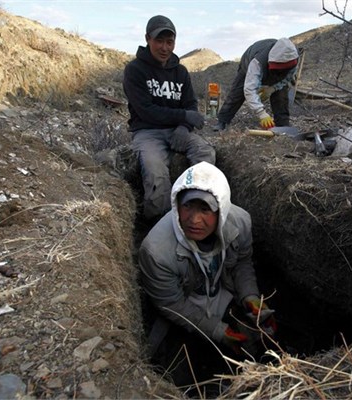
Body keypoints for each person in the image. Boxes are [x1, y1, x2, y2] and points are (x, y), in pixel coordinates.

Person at [138, 161, 277, 386]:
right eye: (187, 207)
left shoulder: (239, 223)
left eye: (205, 209)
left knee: (258, 341)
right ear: (176, 205)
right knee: (173, 371)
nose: (194, 220)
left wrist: (250, 297)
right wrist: (217, 331)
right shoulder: (156, 251)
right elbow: (172, 304)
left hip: (222, 294)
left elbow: (242, 263)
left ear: (221, 209)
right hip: (183, 307)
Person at [123, 15, 216, 222]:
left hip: (177, 130)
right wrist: (184, 116)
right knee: (156, 172)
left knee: (205, 153)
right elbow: (146, 110)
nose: (165, 47)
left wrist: (184, 127)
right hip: (147, 132)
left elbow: (190, 104)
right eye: (159, 41)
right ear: (148, 39)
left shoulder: (180, 72)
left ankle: (197, 212)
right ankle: (159, 223)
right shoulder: (134, 70)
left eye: (169, 42)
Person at [213, 38, 299, 131]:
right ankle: (222, 121)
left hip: (276, 75)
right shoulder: (257, 62)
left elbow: (287, 78)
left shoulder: (293, 59)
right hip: (247, 65)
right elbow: (249, 89)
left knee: (281, 95)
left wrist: (273, 89)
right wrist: (261, 113)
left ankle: (283, 125)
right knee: (237, 93)